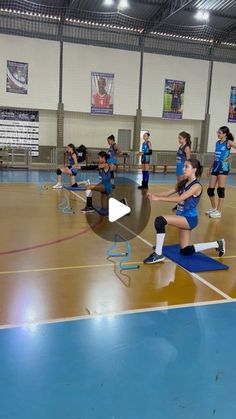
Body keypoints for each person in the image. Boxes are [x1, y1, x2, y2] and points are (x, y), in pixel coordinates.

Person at [143, 159, 225, 264]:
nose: (183, 169)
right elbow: (167, 193)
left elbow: (179, 199)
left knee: (160, 220)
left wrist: (158, 199)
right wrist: (154, 195)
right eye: (184, 166)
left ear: (194, 170)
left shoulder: (196, 186)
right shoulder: (183, 182)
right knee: (185, 251)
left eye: (186, 167)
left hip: (189, 219)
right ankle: (217, 244)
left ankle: (158, 254)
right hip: (182, 217)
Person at [206, 126, 236, 219]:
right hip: (215, 167)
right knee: (210, 190)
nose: (217, 134)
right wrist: (209, 168)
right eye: (217, 132)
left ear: (224, 134)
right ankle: (214, 208)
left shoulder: (229, 142)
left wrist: (230, 157)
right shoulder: (217, 143)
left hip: (223, 167)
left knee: (220, 190)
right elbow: (215, 156)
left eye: (219, 132)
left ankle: (219, 211)